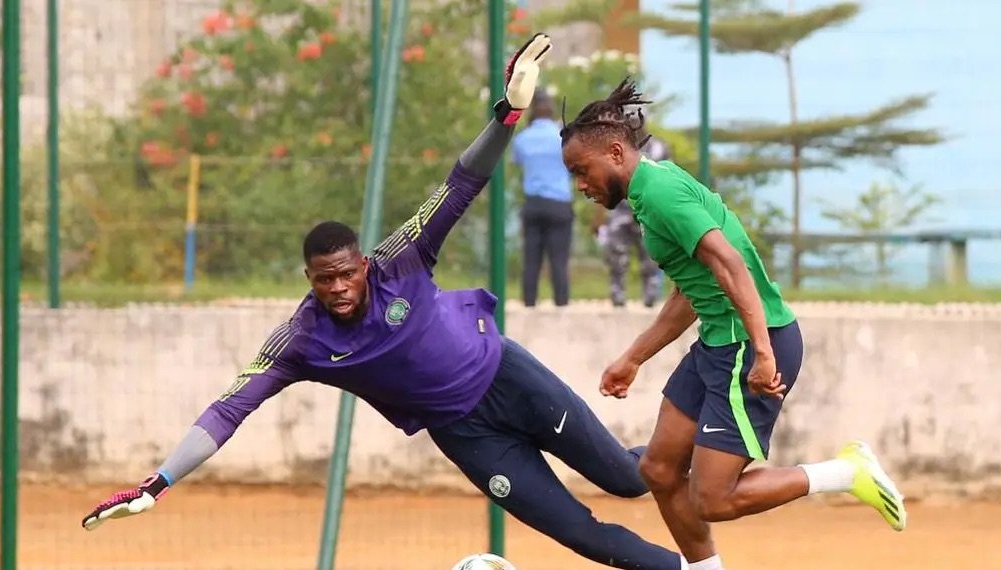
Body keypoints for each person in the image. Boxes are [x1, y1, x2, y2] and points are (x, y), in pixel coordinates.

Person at [81, 36, 686, 570]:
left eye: (345, 275)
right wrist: (158, 482)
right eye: (324, 281)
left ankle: (712, 453)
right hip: (466, 436)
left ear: (362, 266)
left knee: (629, 479)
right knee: (579, 534)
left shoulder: (401, 258)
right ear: (309, 280)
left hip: (509, 376)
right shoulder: (301, 341)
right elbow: (226, 410)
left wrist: (507, 118)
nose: (338, 288)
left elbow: (460, 184)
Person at [560, 78, 907, 570]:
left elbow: (731, 265)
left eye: (582, 170)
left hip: (748, 346)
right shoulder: (647, 192)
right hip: (720, 344)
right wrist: (634, 357)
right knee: (658, 468)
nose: (580, 185)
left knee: (713, 499)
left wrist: (763, 352)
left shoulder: (659, 194)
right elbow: (693, 290)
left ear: (615, 152)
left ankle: (846, 473)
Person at [512, 86, 574, 307]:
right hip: (559, 204)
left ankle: (529, 304)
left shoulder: (522, 139)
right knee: (559, 259)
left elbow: (517, 161)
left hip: (534, 203)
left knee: (531, 259)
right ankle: (561, 304)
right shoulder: (563, 137)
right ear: (551, 109)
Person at [591, 134, 667, 308]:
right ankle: (617, 296)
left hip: (648, 210)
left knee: (651, 255)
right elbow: (605, 182)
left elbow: (667, 178)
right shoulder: (615, 149)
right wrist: (599, 214)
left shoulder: (658, 148)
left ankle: (651, 297)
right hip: (620, 210)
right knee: (617, 256)